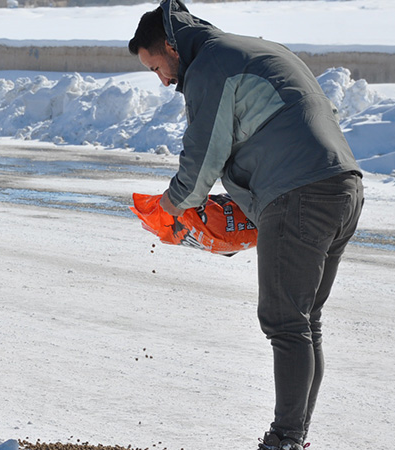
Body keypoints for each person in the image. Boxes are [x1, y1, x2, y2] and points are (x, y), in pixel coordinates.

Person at [128, 1, 365, 449]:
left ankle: (284, 440)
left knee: (283, 321)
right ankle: (293, 437)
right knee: (303, 320)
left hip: (299, 193)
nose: (162, 80)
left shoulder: (210, 66)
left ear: (169, 46)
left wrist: (172, 206)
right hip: (343, 187)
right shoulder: (254, 49)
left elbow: (202, 157)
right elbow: (273, 128)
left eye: (156, 67)